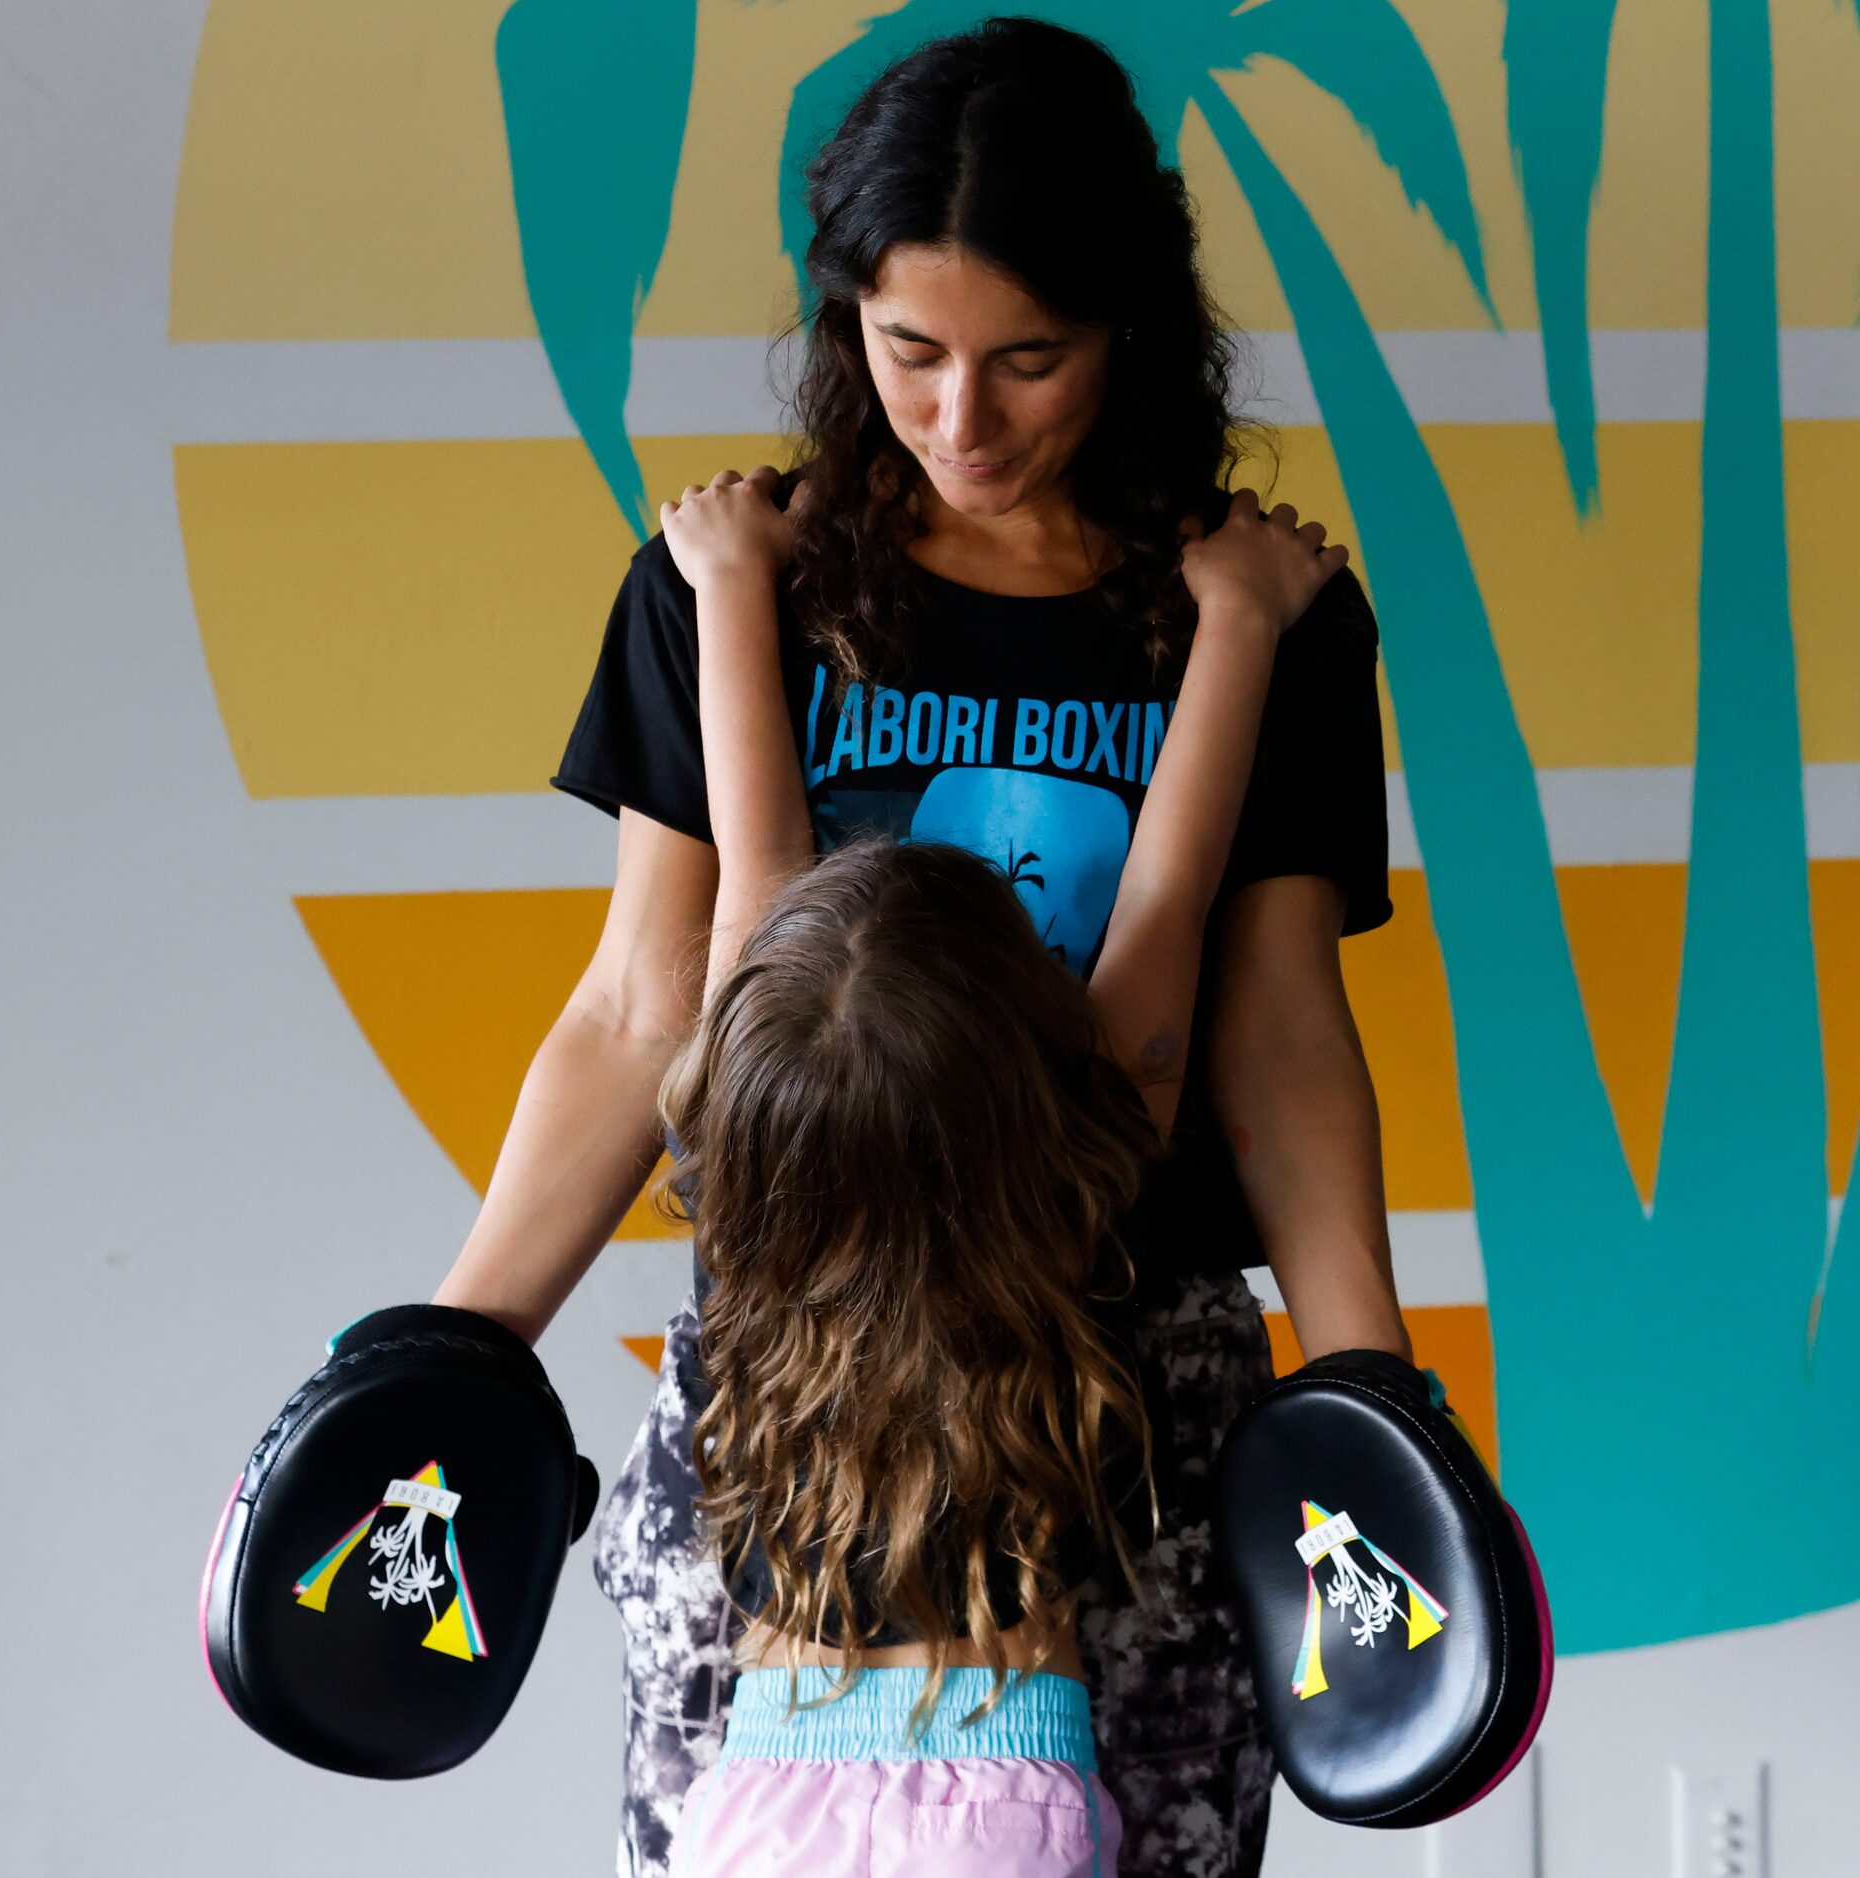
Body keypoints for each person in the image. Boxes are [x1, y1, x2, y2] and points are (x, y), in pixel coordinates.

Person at [429, 19, 1408, 1875]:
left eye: (1028, 359)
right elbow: (655, 1003)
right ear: (844, 324)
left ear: (1127, 328)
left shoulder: (1255, 611)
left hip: (1131, 1390)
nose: (964, 421)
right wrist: (449, 1350)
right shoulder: (735, 582)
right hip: (806, 1383)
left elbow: (1277, 1038)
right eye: (911, 355)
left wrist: (1372, 1410)